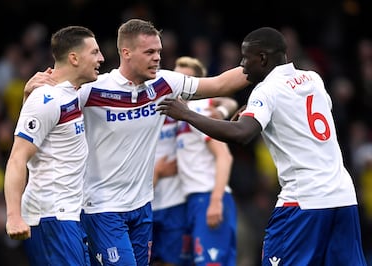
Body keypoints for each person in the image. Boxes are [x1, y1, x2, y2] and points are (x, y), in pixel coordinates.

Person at [24, 18, 250, 266]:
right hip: (101, 207)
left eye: (159, 52)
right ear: (126, 53)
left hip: (143, 206)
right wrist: (29, 94)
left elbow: (220, 84)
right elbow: (43, 115)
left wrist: (260, 63)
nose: (157, 58)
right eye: (150, 52)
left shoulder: (164, 83)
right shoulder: (92, 89)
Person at [157, 27, 368, 265]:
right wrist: (254, 111)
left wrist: (187, 115)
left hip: (305, 199)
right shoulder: (313, 78)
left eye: (246, 57)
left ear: (263, 58)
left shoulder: (266, 90)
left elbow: (242, 133)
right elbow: (301, 111)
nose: (243, 65)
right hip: (343, 196)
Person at [4, 25, 104, 266]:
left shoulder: (70, 94)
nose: (101, 58)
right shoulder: (46, 98)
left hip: (68, 215)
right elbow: (18, 157)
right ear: (74, 57)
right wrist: (13, 216)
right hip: (51, 216)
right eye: (95, 52)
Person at [151, 56, 238, 266]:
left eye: (187, 79)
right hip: (191, 200)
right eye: (178, 77)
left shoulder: (198, 111)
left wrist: (215, 201)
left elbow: (224, 156)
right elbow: (228, 101)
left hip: (206, 197)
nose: (180, 85)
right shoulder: (181, 117)